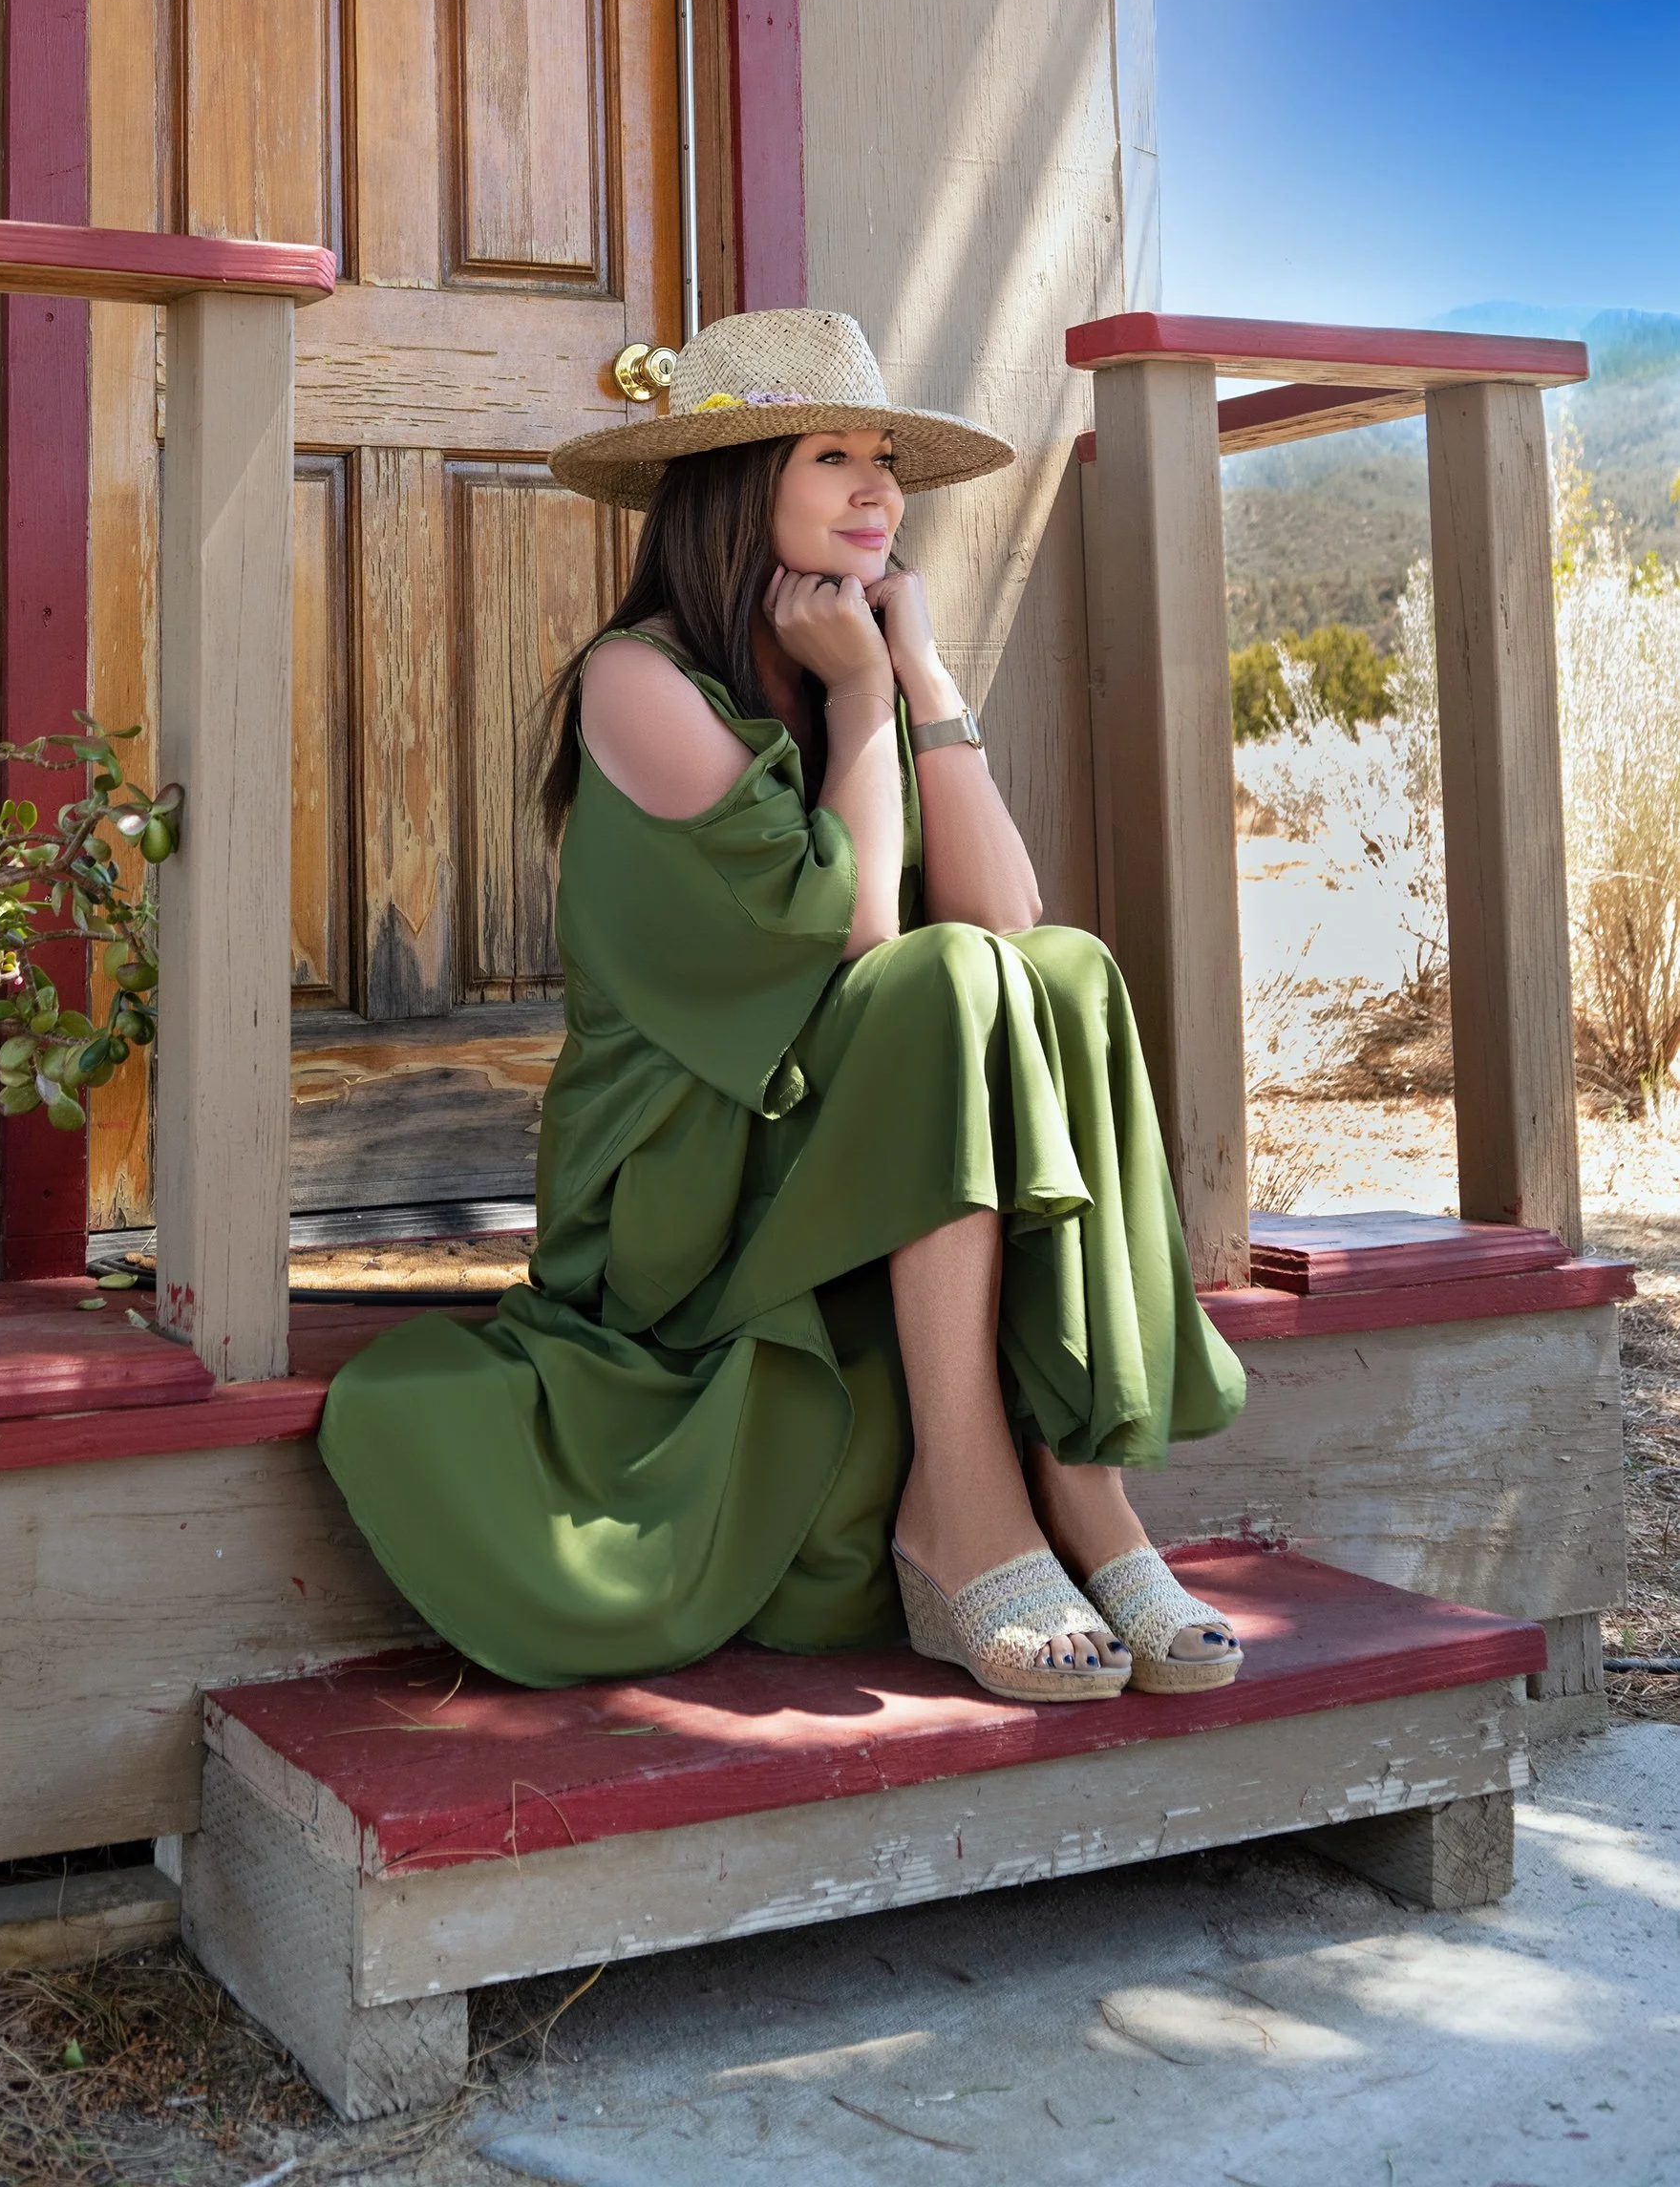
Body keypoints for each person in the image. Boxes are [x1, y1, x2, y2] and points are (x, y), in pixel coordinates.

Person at [319, 308, 1249, 1703]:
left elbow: (1013, 920)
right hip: (686, 1173)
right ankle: (959, 1512)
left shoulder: (849, 658)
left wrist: (919, 672)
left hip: (838, 1120)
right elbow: (864, 938)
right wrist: (866, 699)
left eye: (886, 460)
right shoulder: (636, 682)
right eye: (834, 458)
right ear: (736, 485)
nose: (879, 491)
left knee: (1062, 972)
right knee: (940, 978)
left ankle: (1087, 1498)